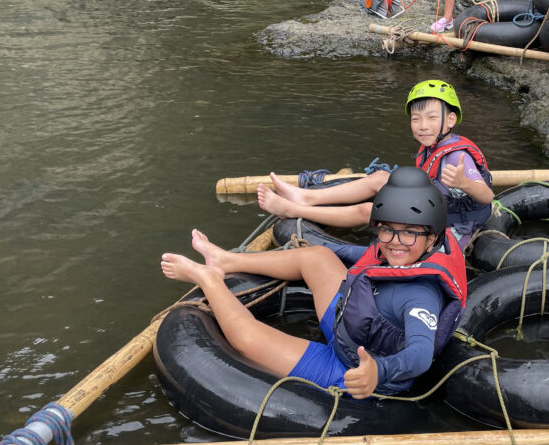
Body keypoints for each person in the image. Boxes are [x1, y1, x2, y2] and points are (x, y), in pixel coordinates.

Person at [162, 167, 468, 399]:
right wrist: (314, 246)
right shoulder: (397, 250)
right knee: (317, 256)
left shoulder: (421, 294)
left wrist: (378, 372)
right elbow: (363, 254)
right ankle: (226, 261)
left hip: (351, 368)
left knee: (248, 338)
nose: (397, 241)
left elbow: (420, 353)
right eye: (388, 230)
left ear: (432, 238)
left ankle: (206, 276)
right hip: (349, 324)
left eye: (410, 232)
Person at [257, 80, 494, 246]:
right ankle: (306, 197)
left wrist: (464, 182)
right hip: (434, 202)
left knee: (368, 211)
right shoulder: (433, 145)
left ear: (450, 120)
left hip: (453, 220)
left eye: (432, 117)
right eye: (416, 118)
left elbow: (487, 196)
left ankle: (292, 209)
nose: (422, 125)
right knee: (379, 178)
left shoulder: (455, 155)